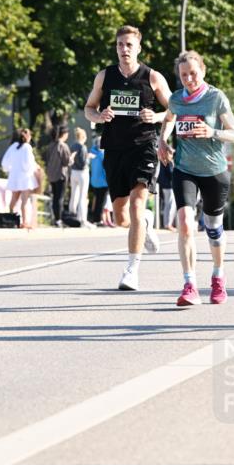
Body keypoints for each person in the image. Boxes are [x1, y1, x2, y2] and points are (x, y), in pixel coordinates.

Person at [84, 24, 170, 290]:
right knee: (122, 218)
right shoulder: (104, 76)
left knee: (136, 203)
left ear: (138, 48)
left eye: (129, 45)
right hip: (114, 148)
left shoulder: (152, 77)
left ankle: (131, 270)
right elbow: (88, 107)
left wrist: (155, 117)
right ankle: (144, 222)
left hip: (143, 147)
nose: (124, 49)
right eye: (120, 45)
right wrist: (98, 116)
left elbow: (174, 110)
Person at [158, 51, 234, 306]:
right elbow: (169, 119)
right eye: (184, 75)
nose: (189, 79)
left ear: (203, 71)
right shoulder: (175, 99)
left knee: (213, 228)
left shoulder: (216, 98)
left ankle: (218, 276)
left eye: (193, 73)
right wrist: (162, 141)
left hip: (214, 171)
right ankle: (189, 284)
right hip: (185, 169)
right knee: (184, 222)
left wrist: (212, 131)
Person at [1, 128, 39, 227]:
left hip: (14, 176)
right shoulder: (27, 147)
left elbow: (5, 163)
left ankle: (10, 219)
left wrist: (11, 169)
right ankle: (25, 221)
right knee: (24, 200)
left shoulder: (13, 147)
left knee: (14, 199)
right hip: (25, 177)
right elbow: (28, 163)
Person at [45, 127, 71, 226]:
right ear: (63, 134)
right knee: (59, 198)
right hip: (61, 175)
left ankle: (55, 219)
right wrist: (71, 158)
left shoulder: (51, 145)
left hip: (51, 175)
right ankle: (59, 220)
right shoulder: (63, 146)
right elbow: (66, 162)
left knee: (55, 198)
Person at [68, 127, 92, 227]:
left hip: (73, 172)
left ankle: (72, 214)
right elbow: (83, 163)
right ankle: (82, 219)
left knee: (74, 194)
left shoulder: (73, 145)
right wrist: (88, 158)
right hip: (82, 173)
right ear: (82, 137)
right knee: (83, 196)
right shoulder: (83, 147)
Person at [88, 135, 109, 225]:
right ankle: (98, 219)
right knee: (102, 202)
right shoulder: (102, 154)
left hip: (94, 181)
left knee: (96, 200)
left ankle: (95, 218)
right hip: (103, 182)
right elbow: (106, 168)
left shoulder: (92, 152)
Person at [157, 158, 177, 231]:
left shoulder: (163, 160)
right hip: (169, 185)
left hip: (165, 185)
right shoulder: (168, 161)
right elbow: (171, 172)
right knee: (171, 205)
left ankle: (167, 223)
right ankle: (168, 224)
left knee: (167, 204)